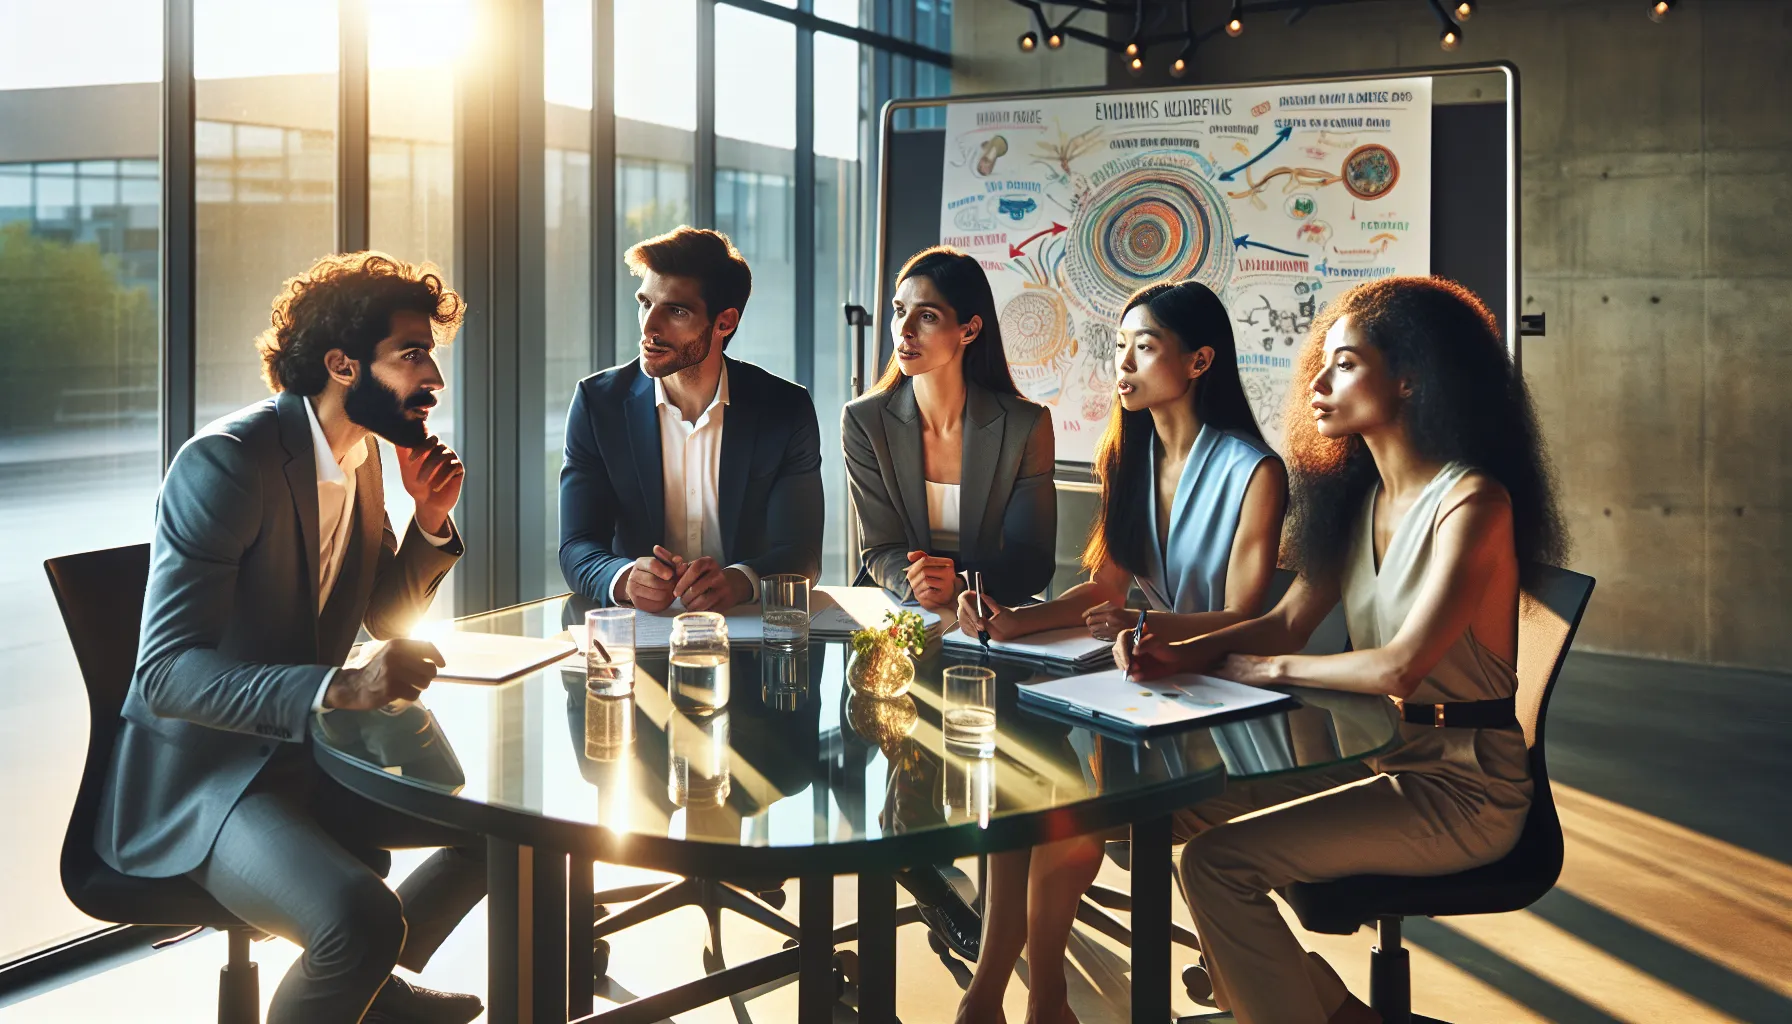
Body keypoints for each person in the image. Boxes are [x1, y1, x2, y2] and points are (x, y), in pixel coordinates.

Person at [1122, 277, 1567, 1024]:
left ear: (1410, 377)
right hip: (1382, 759)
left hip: (1466, 789)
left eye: (1347, 365)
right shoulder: (1358, 500)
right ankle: (1324, 1007)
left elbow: (1399, 666)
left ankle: (1304, 1008)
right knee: (1159, 817)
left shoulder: (1474, 503)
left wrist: (1251, 668)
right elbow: (1284, 625)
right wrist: (1178, 646)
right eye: (1321, 367)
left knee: (1215, 865)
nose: (1317, 385)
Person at [95, 252, 488, 1024]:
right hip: (208, 778)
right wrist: (338, 688)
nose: (434, 380)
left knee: (504, 832)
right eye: (412, 355)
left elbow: (380, 615)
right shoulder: (227, 464)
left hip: (312, 754)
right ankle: (366, 973)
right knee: (360, 920)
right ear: (342, 364)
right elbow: (165, 675)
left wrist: (429, 521)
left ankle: (368, 989)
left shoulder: (364, 457)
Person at [951, 279, 1286, 1024]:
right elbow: (1103, 588)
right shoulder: (1128, 456)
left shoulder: (1254, 471)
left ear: (1200, 361)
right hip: (1137, 678)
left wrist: (1158, 632)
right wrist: (1012, 622)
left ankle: (1039, 997)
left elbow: (1245, 618)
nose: (1122, 363)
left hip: (1216, 692)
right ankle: (995, 996)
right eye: (1117, 347)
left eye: (1144, 346)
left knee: (1064, 814)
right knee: (1022, 785)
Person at [560, 226, 823, 613]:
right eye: (645, 303)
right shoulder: (597, 405)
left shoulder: (786, 409)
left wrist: (738, 581)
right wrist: (623, 577)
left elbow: (801, 552)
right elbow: (577, 546)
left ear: (725, 323)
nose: (650, 327)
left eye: (676, 311)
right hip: (638, 635)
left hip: (748, 634)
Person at [843, 245, 1056, 614]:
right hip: (898, 611)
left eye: (926, 316)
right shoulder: (864, 421)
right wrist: (916, 583)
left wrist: (961, 585)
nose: (904, 331)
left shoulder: (1026, 425)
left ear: (969, 330)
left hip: (990, 611)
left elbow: (1032, 560)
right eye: (899, 311)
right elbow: (879, 548)